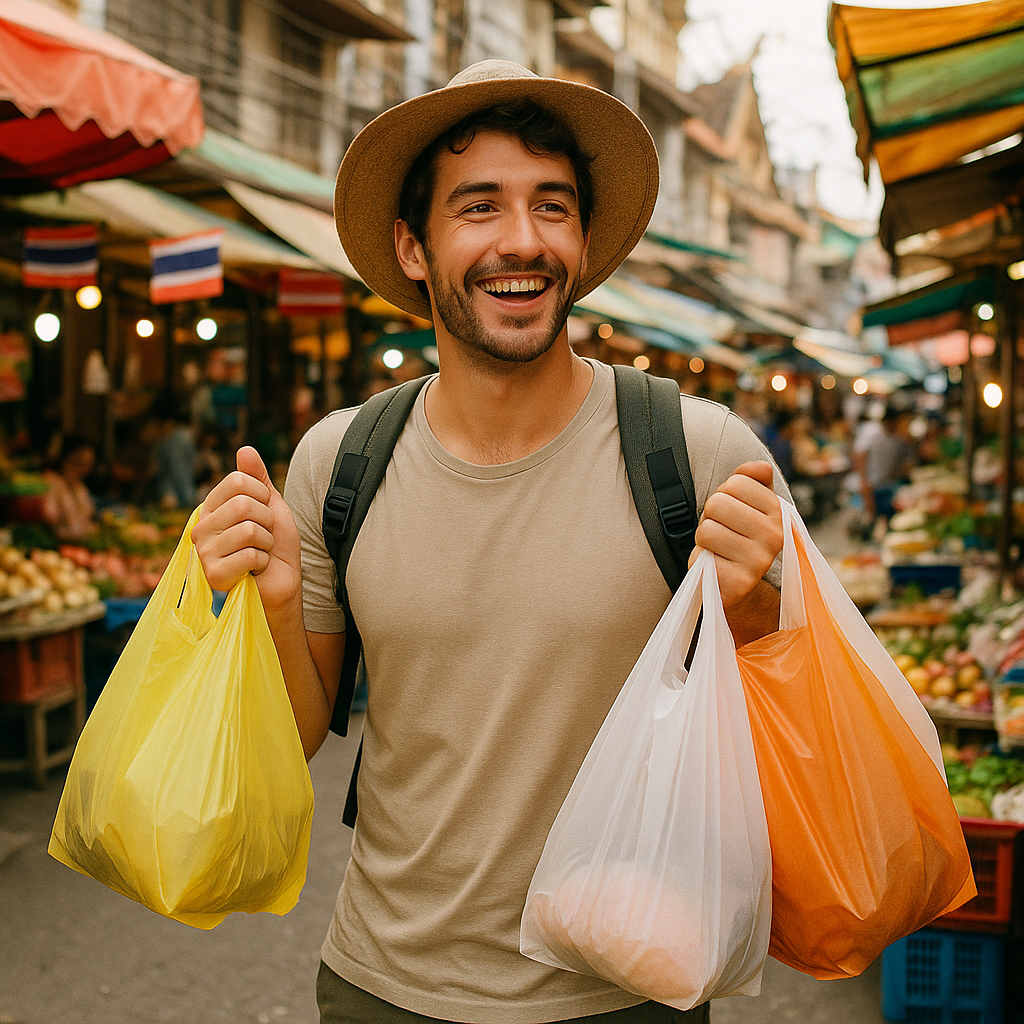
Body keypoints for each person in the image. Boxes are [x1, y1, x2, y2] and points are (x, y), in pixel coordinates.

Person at [192, 61, 789, 1024]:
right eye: (479, 206)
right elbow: (297, 737)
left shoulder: (700, 453)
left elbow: (799, 739)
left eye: (552, 207)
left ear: (584, 241)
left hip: (627, 984)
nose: (522, 241)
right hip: (383, 984)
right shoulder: (338, 462)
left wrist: (757, 615)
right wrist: (261, 599)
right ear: (414, 246)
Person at [41, 434, 98, 541]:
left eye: (89, 465)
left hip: (76, 546)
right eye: (79, 463)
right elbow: (49, 516)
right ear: (66, 459)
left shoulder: (80, 488)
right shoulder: (50, 482)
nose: (85, 470)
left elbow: (85, 521)